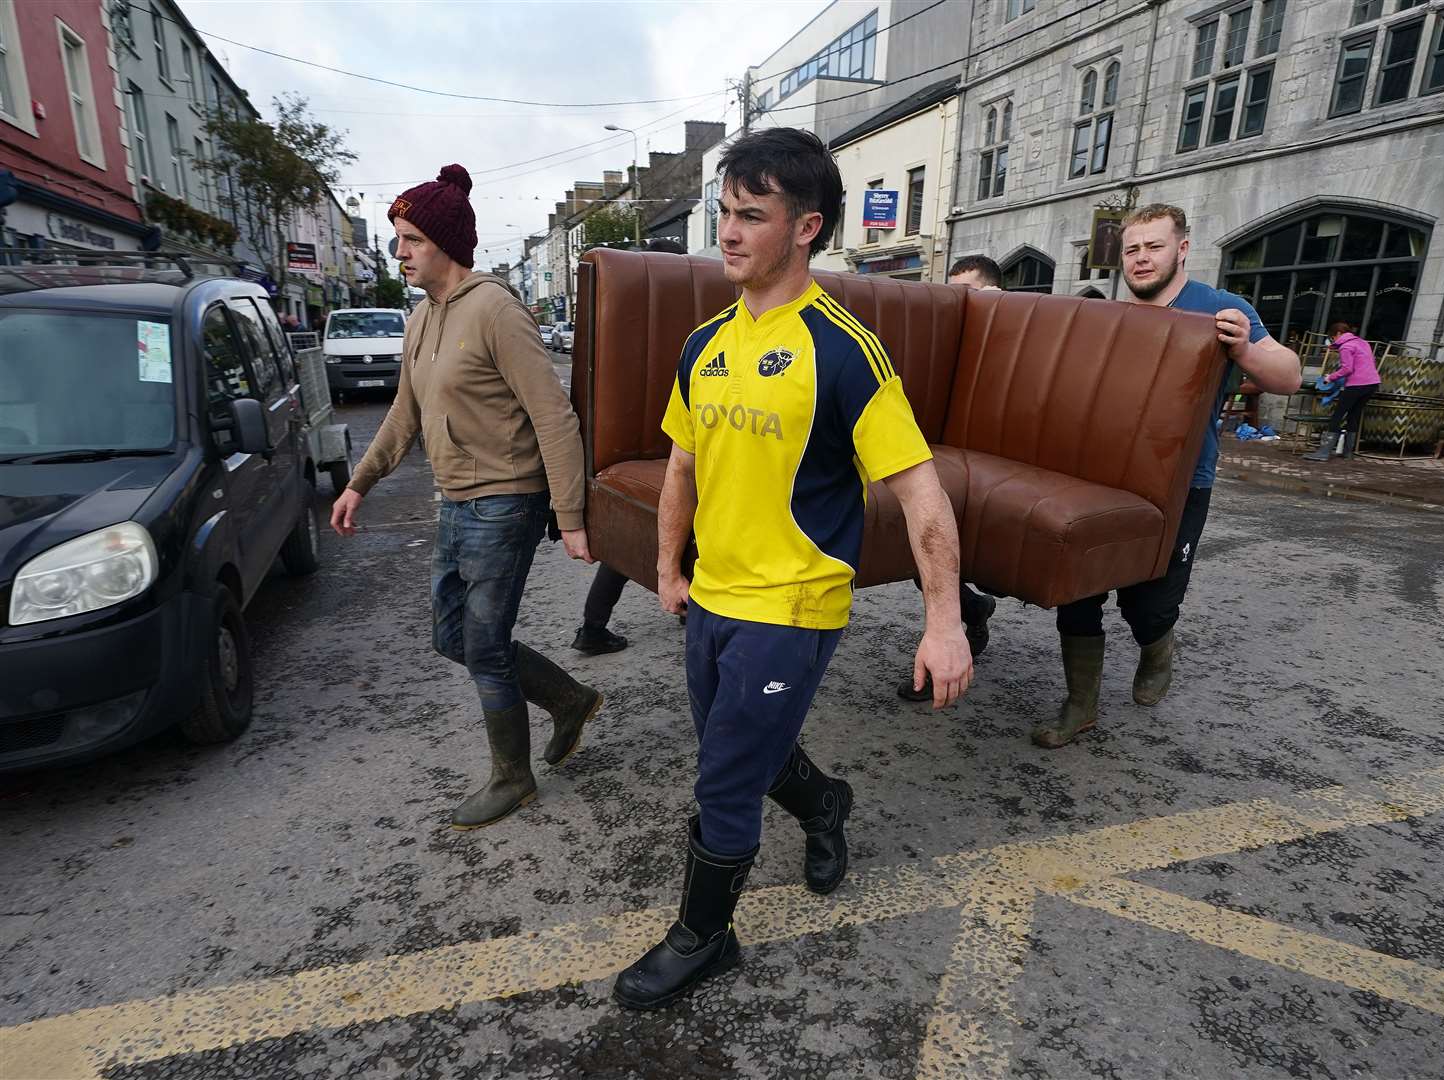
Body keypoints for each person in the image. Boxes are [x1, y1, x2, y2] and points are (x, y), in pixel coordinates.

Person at [613, 128, 972, 1010]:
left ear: (806, 227)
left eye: (750, 216)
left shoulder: (844, 349)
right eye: (724, 214)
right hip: (714, 596)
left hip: (796, 602)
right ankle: (824, 805)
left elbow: (923, 496)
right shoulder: (704, 345)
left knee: (724, 774)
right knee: (742, 749)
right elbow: (683, 468)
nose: (728, 234)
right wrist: (667, 567)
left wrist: (944, 621)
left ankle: (704, 937)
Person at [329, 164, 603, 830]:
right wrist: (359, 481)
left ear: (446, 242)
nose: (400, 252)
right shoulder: (423, 318)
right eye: (398, 239)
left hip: (506, 500)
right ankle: (568, 700)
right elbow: (404, 412)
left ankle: (513, 776)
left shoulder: (495, 309)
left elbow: (552, 416)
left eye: (411, 239)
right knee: (451, 636)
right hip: (456, 500)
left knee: (483, 643)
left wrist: (569, 515)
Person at [1035, 204, 1300, 749]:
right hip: (1095, 477)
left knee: (1148, 601)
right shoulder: (1105, 315)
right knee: (1078, 591)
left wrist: (1245, 348)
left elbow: (1289, 377)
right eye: (1132, 249)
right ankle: (1080, 705)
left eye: (1153, 246)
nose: (1141, 258)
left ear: (1182, 248)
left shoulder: (1222, 309)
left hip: (1180, 482)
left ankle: (1158, 646)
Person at [570, 238, 694, 656]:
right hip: (672, 443)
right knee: (687, 528)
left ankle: (593, 625)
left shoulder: (633, 317)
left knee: (624, 551)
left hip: (637, 445)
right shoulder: (692, 318)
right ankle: (689, 610)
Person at [894, 253, 1002, 702]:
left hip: (1001, 458)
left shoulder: (1014, 330)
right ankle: (963, 623)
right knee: (928, 561)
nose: (963, 306)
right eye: (954, 296)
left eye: (971, 296)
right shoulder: (950, 338)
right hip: (957, 455)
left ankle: (955, 637)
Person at [1303, 320, 1380, 462]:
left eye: (1332, 337)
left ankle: (1323, 452)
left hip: (1356, 384)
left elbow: (1347, 369)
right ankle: (1348, 453)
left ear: (1338, 333)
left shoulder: (1346, 346)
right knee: (1354, 415)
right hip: (1372, 383)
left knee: (1338, 415)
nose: (1333, 340)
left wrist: (1330, 378)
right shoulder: (1363, 343)